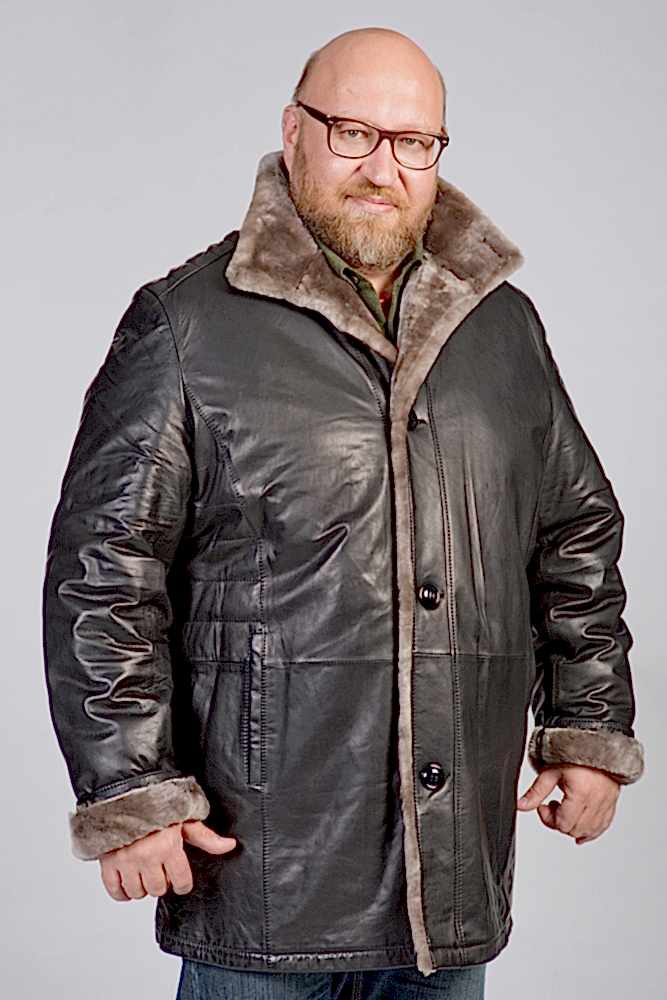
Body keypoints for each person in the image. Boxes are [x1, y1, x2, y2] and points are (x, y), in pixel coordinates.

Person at [42, 25, 646, 1000]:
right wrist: (130, 786)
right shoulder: (189, 323)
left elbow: (572, 534)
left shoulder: (500, 327)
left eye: (414, 142)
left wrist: (587, 724)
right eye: (353, 132)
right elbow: (103, 569)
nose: (383, 168)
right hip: (262, 881)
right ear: (294, 132)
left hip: (447, 893)